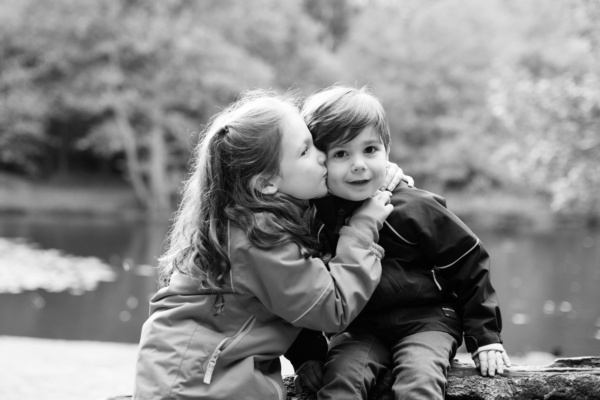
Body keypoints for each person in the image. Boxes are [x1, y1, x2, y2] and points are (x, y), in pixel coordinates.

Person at [133, 89, 402, 400]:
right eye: (306, 151)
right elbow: (331, 307)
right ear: (266, 183)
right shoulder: (256, 236)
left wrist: (379, 175)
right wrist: (362, 228)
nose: (322, 155)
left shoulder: (260, 212)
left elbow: (292, 295)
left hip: (198, 374)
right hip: (196, 386)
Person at [296, 84, 510, 400]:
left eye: (370, 150)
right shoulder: (313, 220)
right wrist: (308, 355)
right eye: (341, 153)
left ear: (387, 149)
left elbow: (469, 261)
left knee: (418, 383)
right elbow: (304, 291)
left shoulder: (413, 206)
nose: (359, 164)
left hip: (428, 320)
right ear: (318, 160)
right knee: (341, 383)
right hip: (359, 328)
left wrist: (485, 335)